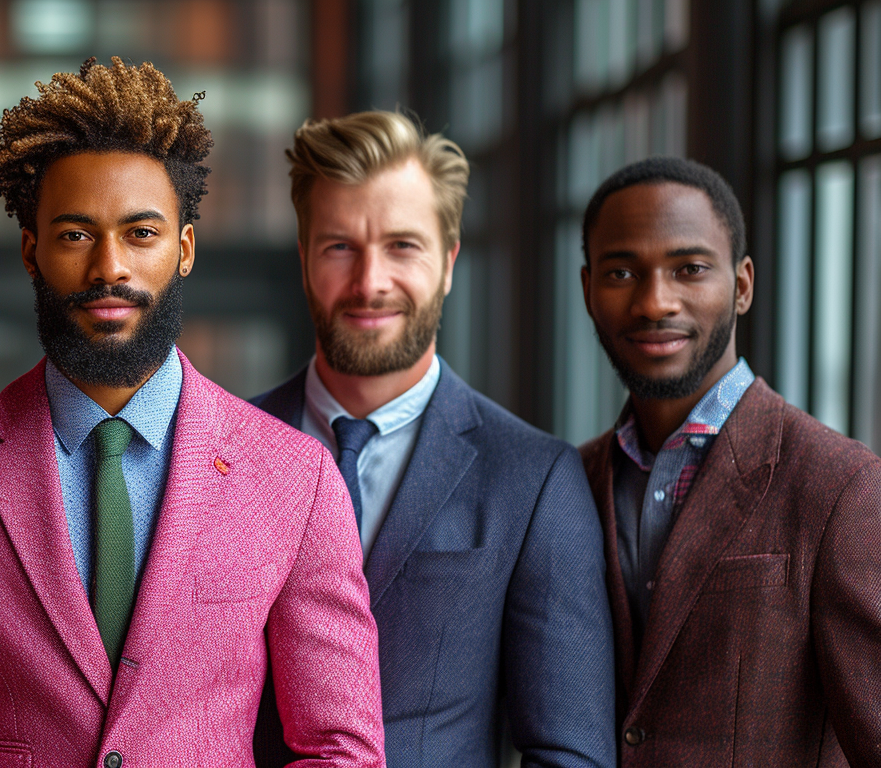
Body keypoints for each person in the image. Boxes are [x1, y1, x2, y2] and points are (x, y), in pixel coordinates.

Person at [0, 58, 385, 767]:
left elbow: (340, 749)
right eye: (74, 235)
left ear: (183, 249)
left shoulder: (297, 480)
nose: (109, 268)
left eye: (141, 233)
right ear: (31, 252)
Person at [251, 111, 615, 767]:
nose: (370, 283)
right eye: (339, 246)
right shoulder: (217, 458)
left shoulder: (532, 481)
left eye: (402, 246)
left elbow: (570, 754)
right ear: (303, 258)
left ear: (448, 262)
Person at [576, 157, 881, 766]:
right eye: (621, 271)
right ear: (587, 291)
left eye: (689, 268)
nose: (654, 302)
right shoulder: (571, 482)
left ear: (742, 285)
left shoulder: (840, 487)